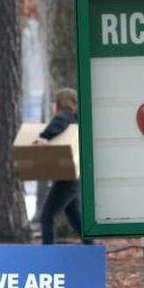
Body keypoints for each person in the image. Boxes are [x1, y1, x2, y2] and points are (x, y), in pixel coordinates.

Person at [33, 88, 92, 245]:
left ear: (59, 103)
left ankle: (48, 254)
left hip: (66, 179)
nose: (52, 106)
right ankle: (91, 248)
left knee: (46, 216)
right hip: (74, 176)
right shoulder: (77, 119)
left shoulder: (63, 116)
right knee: (74, 215)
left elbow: (58, 122)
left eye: (54, 102)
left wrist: (44, 137)